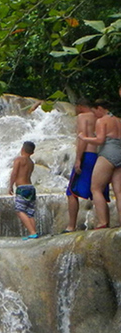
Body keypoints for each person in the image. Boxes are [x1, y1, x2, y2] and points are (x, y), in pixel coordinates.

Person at [65, 98, 108, 232]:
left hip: (87, 155)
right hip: (100, 157)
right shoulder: (102, 118)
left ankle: (71, 226)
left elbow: (82, 137)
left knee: (71, 192)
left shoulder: (83, 117)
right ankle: (105, 222)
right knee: (98, 191)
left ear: (80, 106)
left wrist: (78, 159)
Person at [78, 99, 121, 229]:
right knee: (119, 192)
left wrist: (84, 138)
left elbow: (100, 139)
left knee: (96, 188)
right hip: (120, 152)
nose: (95, 115)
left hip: (107, 153)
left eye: (95, 111)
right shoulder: (119, 120)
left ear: (100, 108)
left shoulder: (102, 120)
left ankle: (103, 222)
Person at [9, 141, 38, 239]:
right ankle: (34, 233)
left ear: (22, 149)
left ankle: (32, 232)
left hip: (22, 188)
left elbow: (14, 173)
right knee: (30, 212)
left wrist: (10, 186)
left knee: (19, 210)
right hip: (31, 188)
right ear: (32, 152)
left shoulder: (19, 159)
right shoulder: (31, 162)